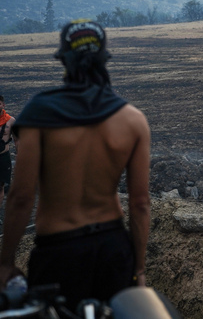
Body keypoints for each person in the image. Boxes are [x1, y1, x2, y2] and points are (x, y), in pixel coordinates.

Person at [0, 20, 151, 312]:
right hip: (113, 248)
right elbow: (140, 203)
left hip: (59, 251)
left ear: (64, 58)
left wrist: (5, 264)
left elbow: (20, 197)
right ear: (104, 57)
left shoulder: (39, 113)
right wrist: (140, 270)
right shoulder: (133, 120)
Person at [0, 95, 18, 209]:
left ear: (3, 105)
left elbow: (17, 140)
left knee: (0, 186)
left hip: (3, 158)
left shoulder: (11, 121)